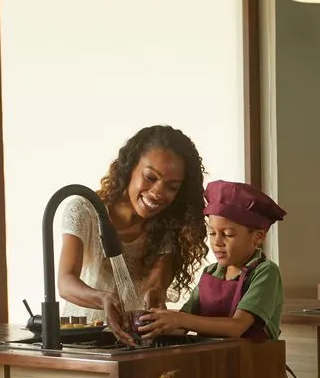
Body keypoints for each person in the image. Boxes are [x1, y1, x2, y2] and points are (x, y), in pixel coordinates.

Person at [57, 126, 207, 337]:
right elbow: (65, 283)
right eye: (150, 177)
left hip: (134, 339)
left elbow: (155, 287)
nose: (157, 193)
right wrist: (103, 298)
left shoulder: (169, 227)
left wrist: (155, 297)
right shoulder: (85, 210)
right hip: (83, 337)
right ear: (129, 167)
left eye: (172, 187)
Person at [136, 180, 287, 341]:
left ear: (258, 237)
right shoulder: (210, 273)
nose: (217, 242)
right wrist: (159, 317)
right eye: (212, 233)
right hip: (212, 357)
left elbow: (237, 327)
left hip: (252, 358)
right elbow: (181, 328)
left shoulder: (265, 272)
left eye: (228, 234)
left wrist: (179, 319)